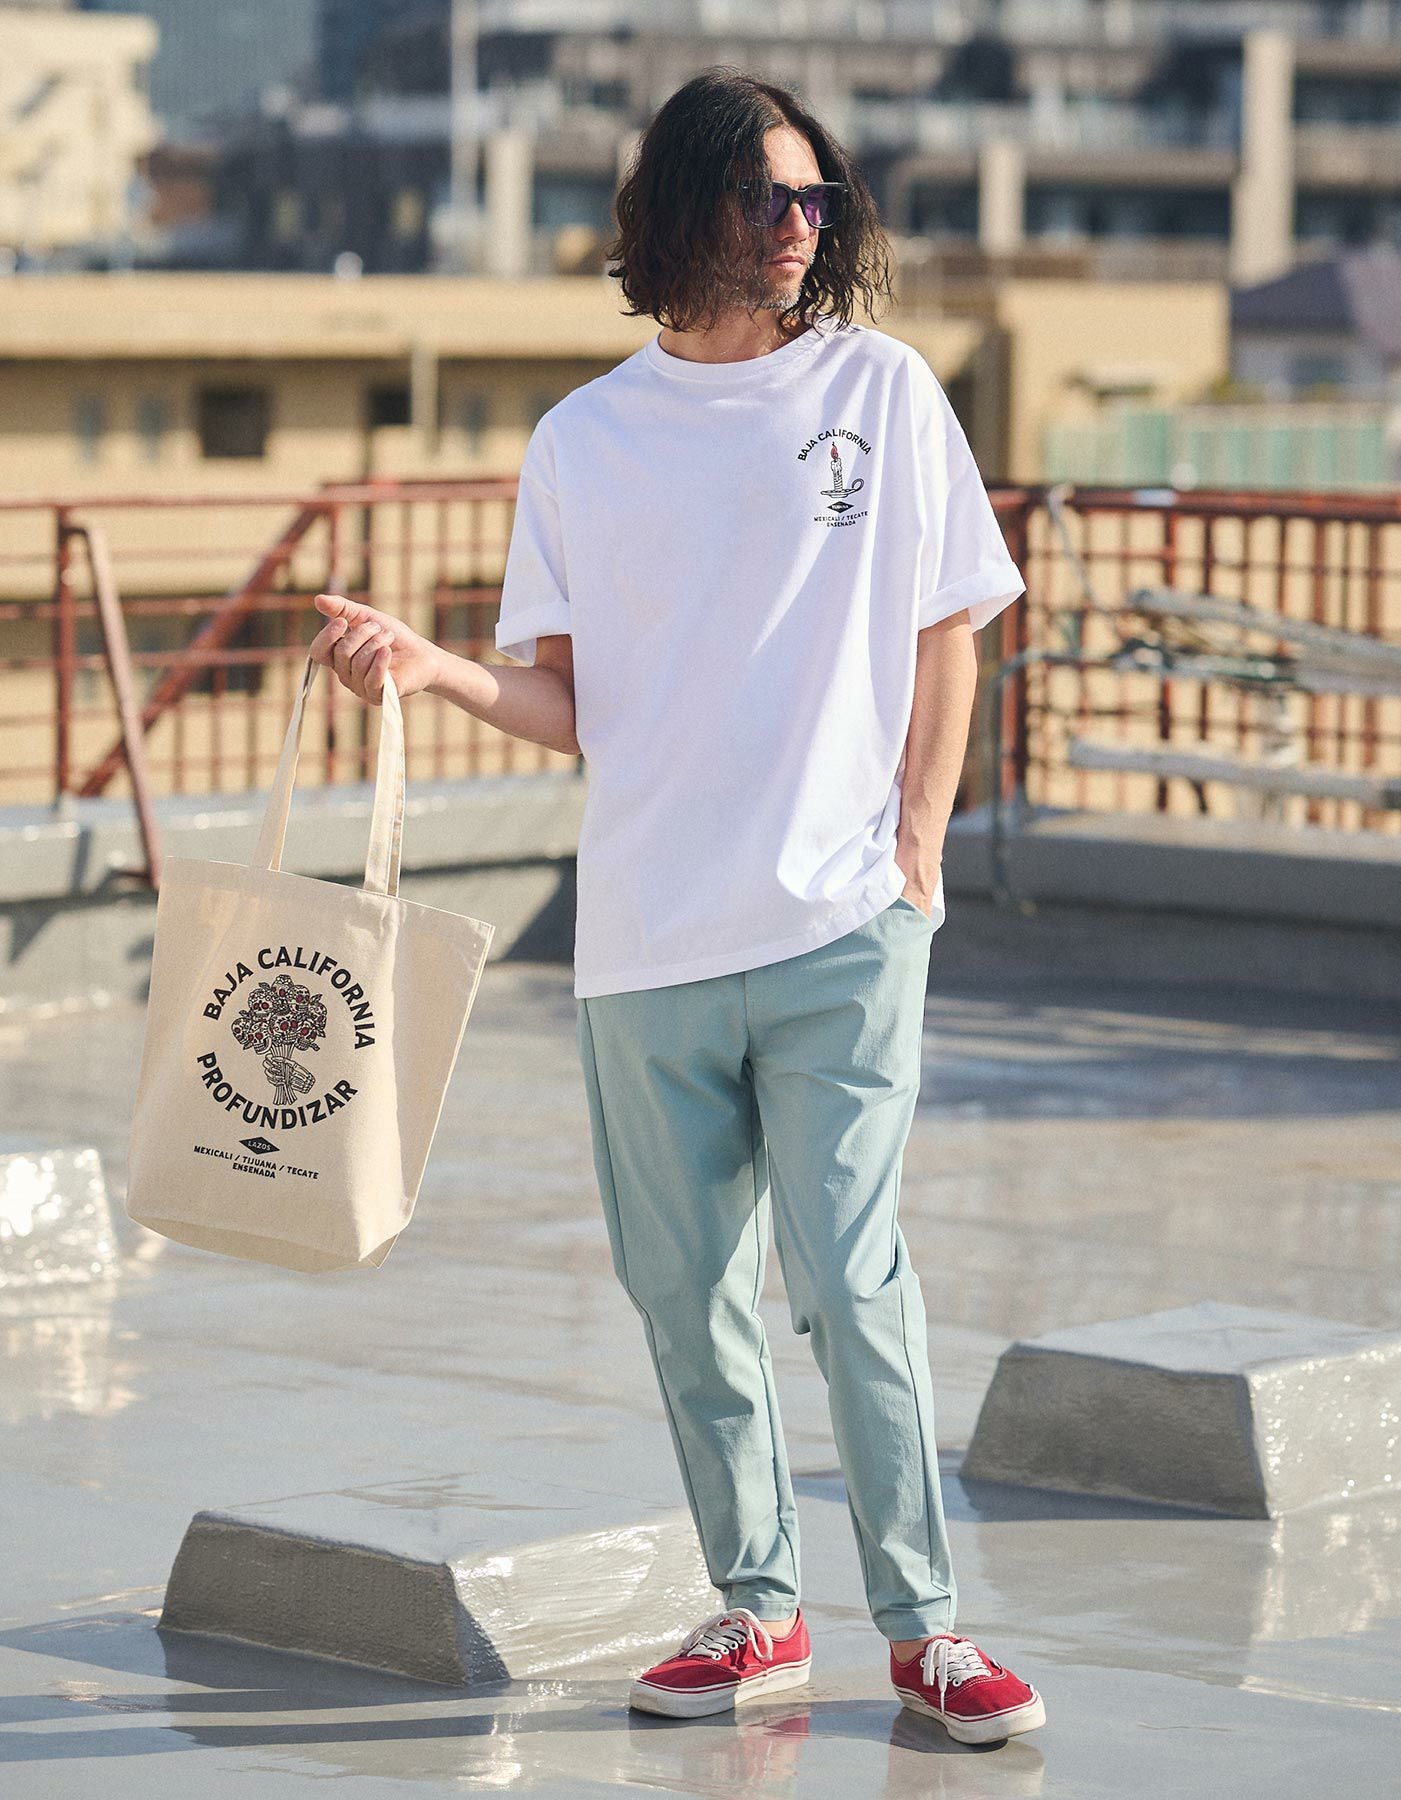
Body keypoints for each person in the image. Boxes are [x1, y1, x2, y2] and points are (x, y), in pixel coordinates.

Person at [308, 67, 1045, 1747]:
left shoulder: (882, 389)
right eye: (765, 197)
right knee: (688, 1295)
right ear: (684, 207)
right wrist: (432, 668)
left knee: (851, 1278)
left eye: (816, 199)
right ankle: (758, 1614)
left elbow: (950, 627)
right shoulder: (585, 441)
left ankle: (928, 1632)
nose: (799, 227)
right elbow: (576, 708)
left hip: (842, 922)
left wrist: (919, 840)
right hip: (646, 943)